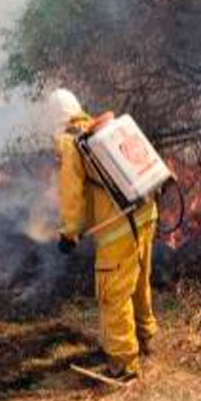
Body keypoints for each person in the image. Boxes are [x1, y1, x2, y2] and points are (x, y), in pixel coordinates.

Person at [48, 88, 159, 381]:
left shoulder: (70, 142)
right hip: (146, 211)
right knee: (138, 282)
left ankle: (124, 365)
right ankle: (146, 338)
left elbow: (72, 194)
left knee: (113, 294)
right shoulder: (96, 129)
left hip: (118, 228)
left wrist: (69, 233)